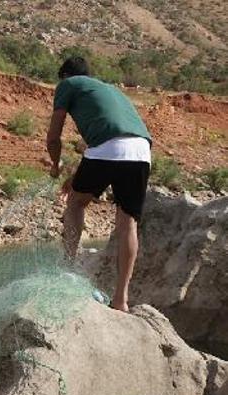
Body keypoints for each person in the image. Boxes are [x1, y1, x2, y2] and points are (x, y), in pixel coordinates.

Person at [46, 56, 152, 312]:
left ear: (65, 75)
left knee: (75, 203)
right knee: (128, 222)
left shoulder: (68, 84)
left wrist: (56, 165)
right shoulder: (109, 89)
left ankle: (67, 269)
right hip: (141, 151)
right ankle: (121, 300)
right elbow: (113, 140)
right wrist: (75, 179)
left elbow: (53, 137)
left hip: (106, 149)